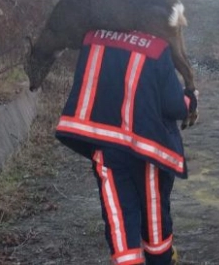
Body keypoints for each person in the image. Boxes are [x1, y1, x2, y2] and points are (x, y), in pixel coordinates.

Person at [54, 28, 196, 265]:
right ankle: (160, 260)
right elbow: (174, 106)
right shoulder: (156, 47)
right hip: (148, 152)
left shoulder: (93, 39)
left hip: (106, 148)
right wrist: (191, 99)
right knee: (154, 218)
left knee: (119, 216)